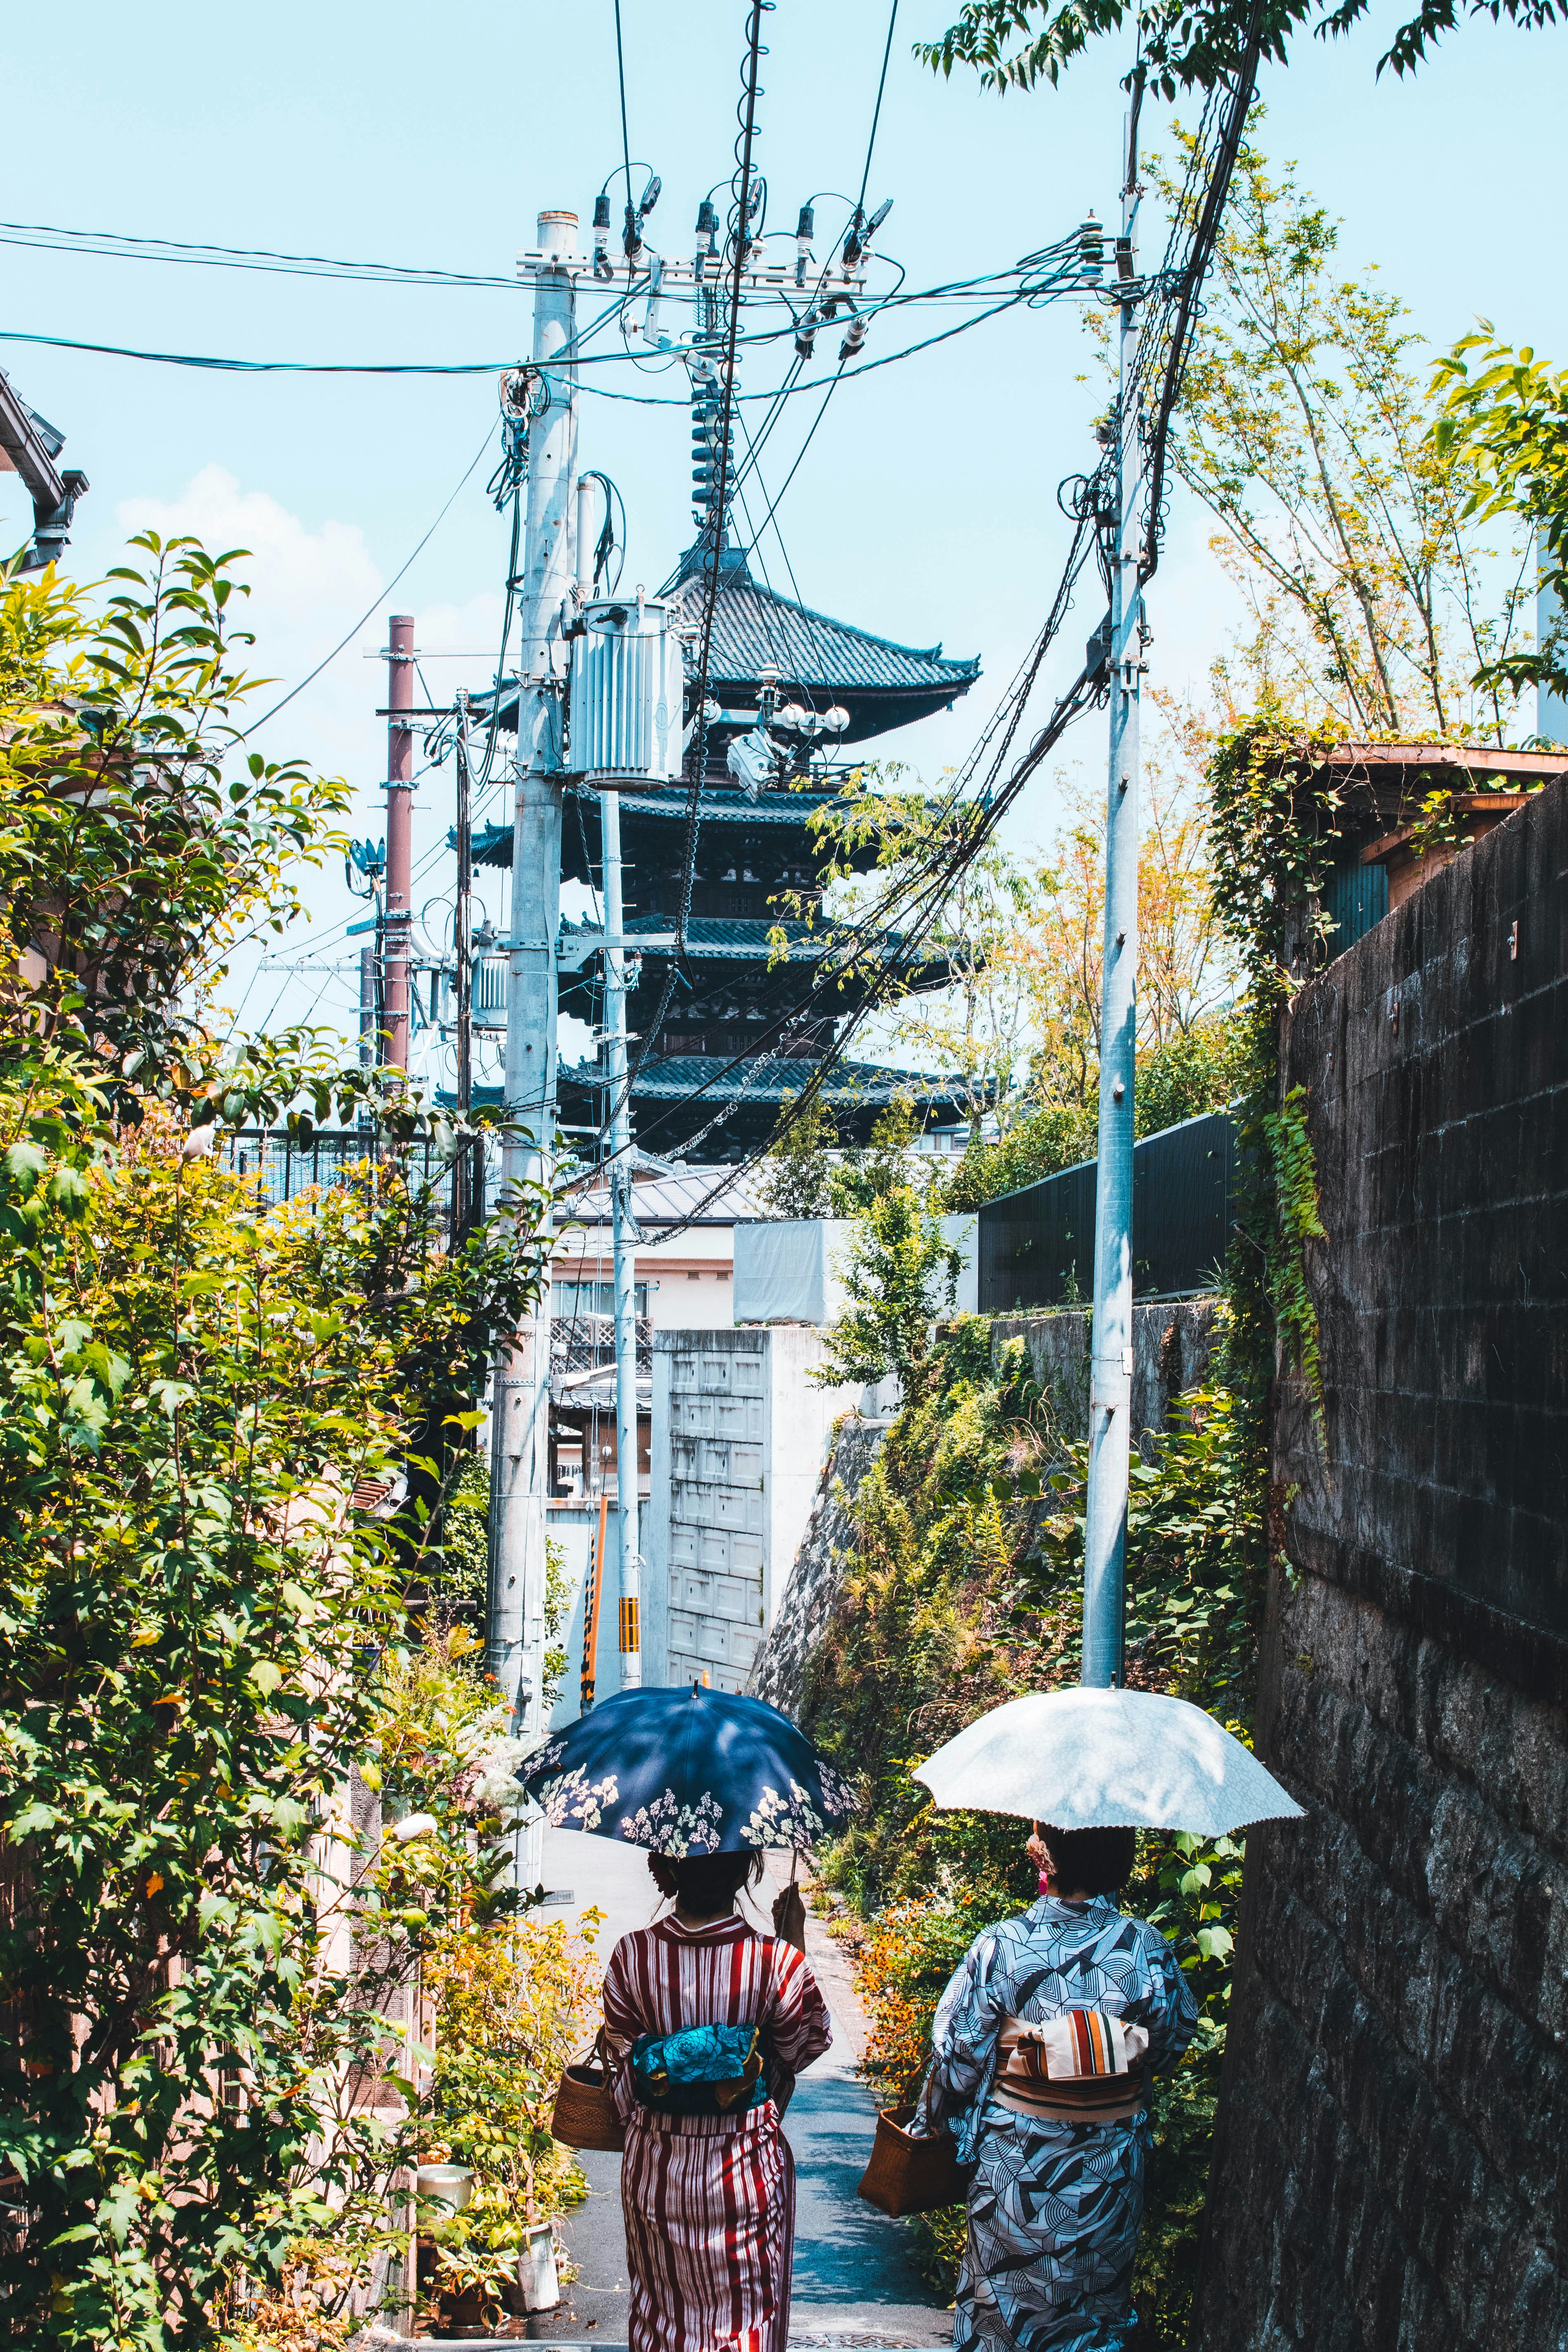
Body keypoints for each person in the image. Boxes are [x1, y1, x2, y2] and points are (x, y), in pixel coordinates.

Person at [917, 1820, 1198, 2352]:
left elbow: (958, 2062)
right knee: (1090, 2323)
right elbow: (1171, 2043)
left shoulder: (1002, 1945)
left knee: (1004, 2319)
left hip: (1014, 2176)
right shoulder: (1146, 1948)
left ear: (1047, 1854)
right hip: (1107, 2178)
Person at [600, 1847, 833, 2352]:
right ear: (745, 1871)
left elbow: (622, 2056)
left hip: (657, 2167)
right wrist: (793, 1939)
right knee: (747, 2318)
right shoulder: (775, 1960)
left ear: (669, 1871)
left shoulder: (631, 1954)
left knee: (661, 2315)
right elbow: (802, 2048)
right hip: (743, 2168)